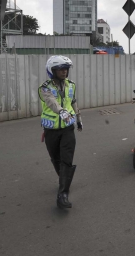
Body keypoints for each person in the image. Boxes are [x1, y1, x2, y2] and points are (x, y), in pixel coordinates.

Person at [39, 55, 83, 209]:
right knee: (56, 159)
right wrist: (61, 111)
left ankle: (63, 194)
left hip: (68, 128)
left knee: (67, 159)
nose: (64, 72)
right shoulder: (45, 87)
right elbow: (51, 102)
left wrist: (78, 118)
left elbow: (73, 101)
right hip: (51, 129)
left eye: (66, 69)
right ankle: (64, 180)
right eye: (60, 69)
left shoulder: (71, 85)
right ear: (52, 71)